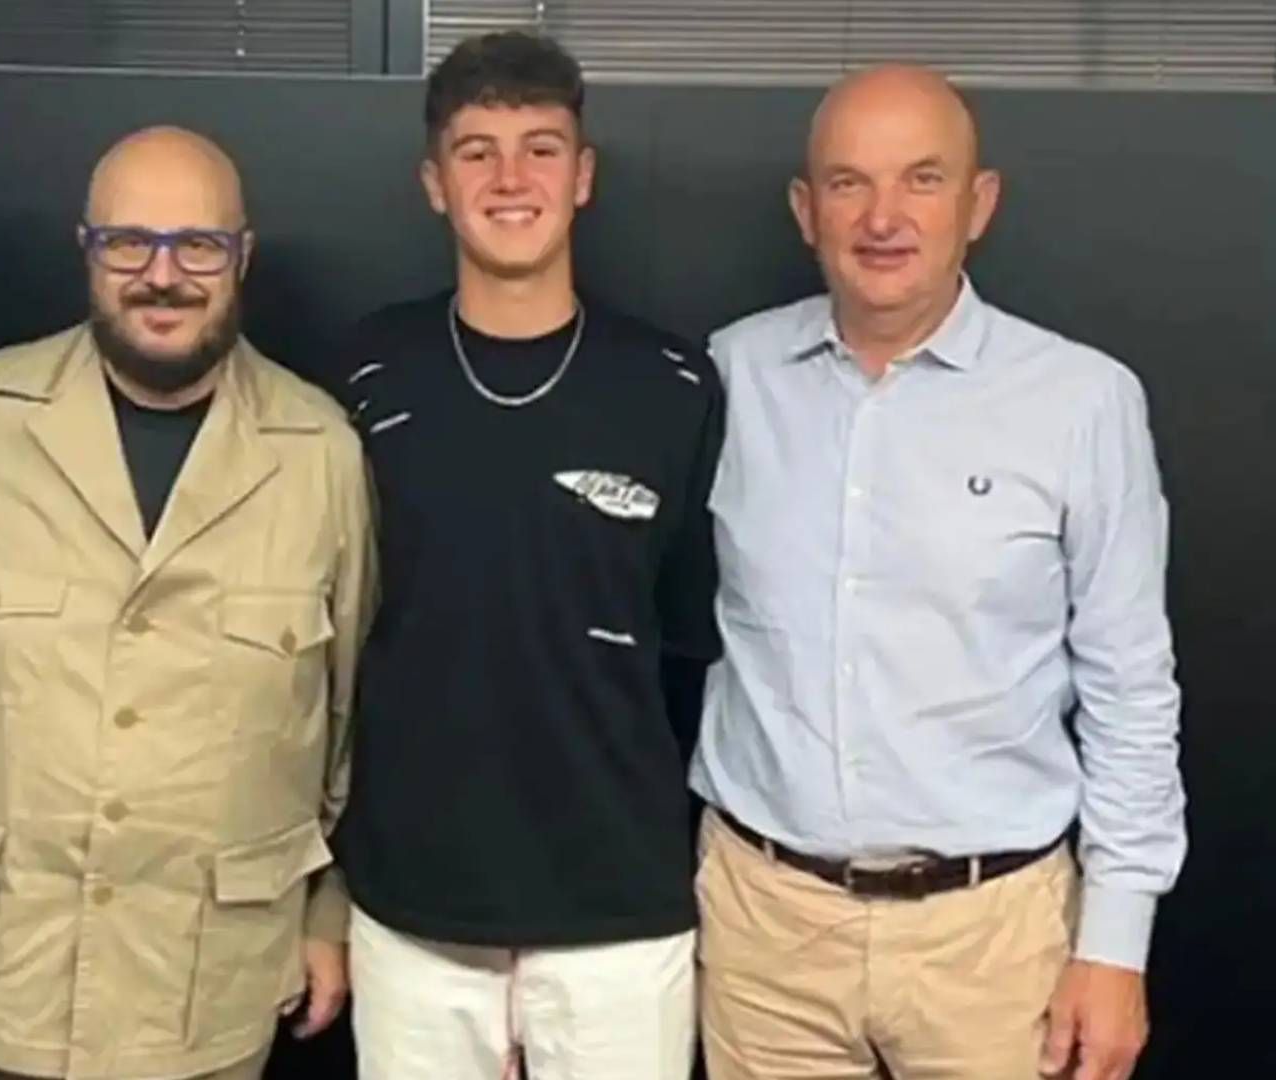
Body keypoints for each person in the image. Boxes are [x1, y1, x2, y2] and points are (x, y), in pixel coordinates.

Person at [693, 64, 1186, 1080]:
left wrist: (1116, 946)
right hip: (764, 937)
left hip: (996, 944)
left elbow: (1131, 687)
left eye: (923, 179)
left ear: (979, 203)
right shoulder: (726, 377)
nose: (883, 217)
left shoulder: (1082, 402)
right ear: (805, 210)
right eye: (849, 183)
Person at [0, 126, 372, 1080]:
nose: (163, 275)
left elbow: (350, 715)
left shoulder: (319, 451)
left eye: (198, 244)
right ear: (86, 249)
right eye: (128, 242)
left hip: (205, 991)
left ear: (243, 256)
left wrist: (329, 910)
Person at [328, 31, 723, 1080]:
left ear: (583, 176)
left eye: (541, 149)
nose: (511, 179)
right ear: (433, 182)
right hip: (412, 909)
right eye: (477, 152)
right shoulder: (367, 368)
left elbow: (694, 646)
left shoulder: (675, 383)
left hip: (619, 915)